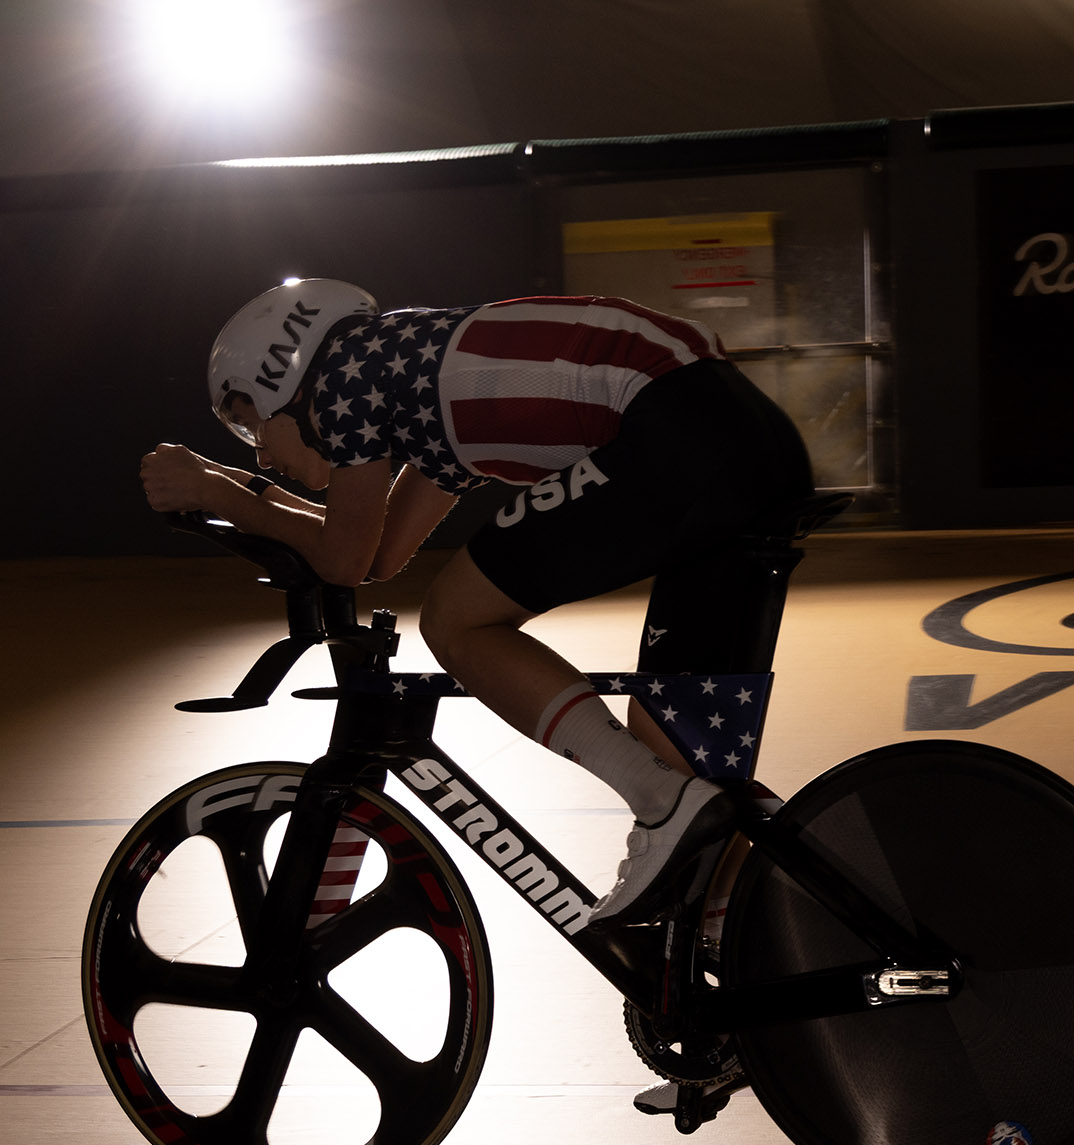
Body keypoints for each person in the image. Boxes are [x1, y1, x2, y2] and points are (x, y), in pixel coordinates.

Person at [139, 278, 815, 923]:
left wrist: (220, 494)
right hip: (745, 436)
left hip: (678, 430)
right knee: (672, 734)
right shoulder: (414, 374)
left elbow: (341, 557)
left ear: (284, 381)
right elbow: (375, 556)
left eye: (250, 427)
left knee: (455, 619)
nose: (261, 456)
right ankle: (730, 923)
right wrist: (226, 486)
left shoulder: (346, 374)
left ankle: (660, 802)